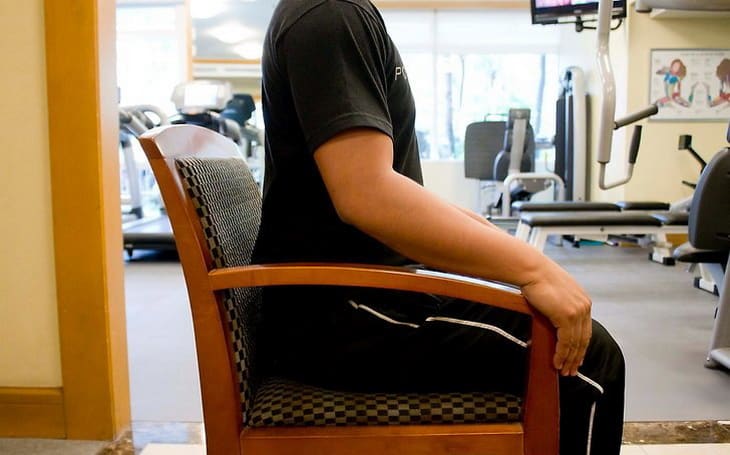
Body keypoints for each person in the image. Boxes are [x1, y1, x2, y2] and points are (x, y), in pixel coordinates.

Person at [252, 0, 625, 454]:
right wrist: (536, 272)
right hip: (341, 311)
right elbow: (366, 194)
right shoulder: (330, 14)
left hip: (358, 291)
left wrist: (512, 256)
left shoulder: (341, 13)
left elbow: (399, 191)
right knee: (590, 359)